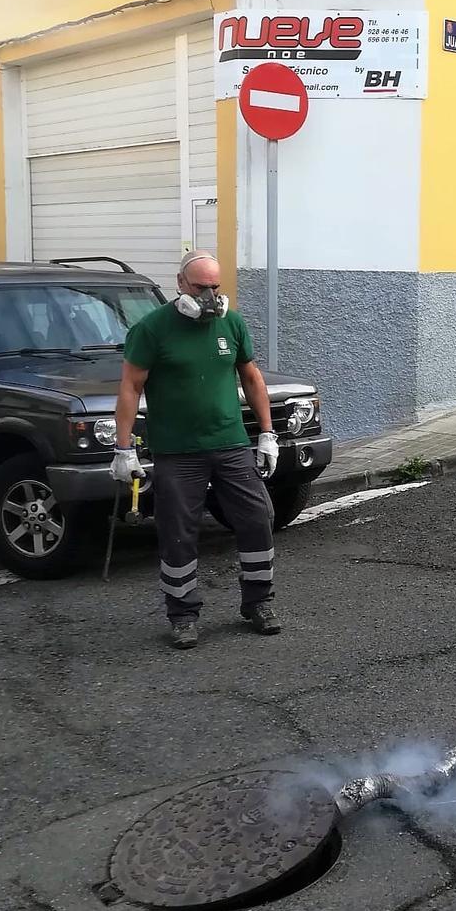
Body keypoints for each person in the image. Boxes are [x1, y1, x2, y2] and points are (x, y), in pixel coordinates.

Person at [113, 250, 281, 649]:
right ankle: (183, 614)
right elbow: (130, 387)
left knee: (258, 518)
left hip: (230, 444)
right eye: (201, 287)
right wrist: (123, 450)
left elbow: (252, 379)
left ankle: (259, 602)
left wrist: (267, 433)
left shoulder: (232, 323)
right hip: (178, 451)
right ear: (180, 284)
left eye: (215, 287)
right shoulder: (152, 329)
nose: (209, 295)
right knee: (178, 533)